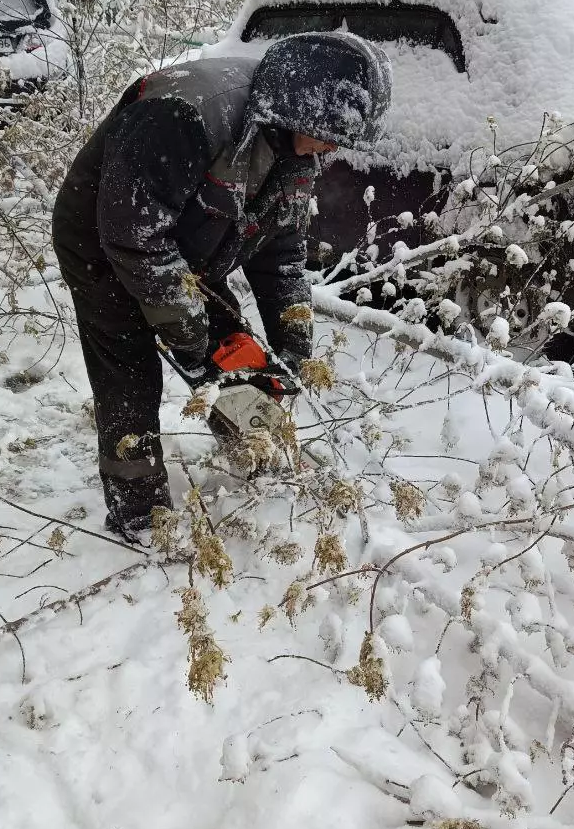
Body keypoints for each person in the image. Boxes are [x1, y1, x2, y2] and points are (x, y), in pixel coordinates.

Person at [52, 31, 392, 539]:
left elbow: (280, 254)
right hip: (103, 242)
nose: (332, 148)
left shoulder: (297, 147)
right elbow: (133, 236)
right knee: (130, 369)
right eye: (329, 134)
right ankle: (139, 511)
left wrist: (292, 336)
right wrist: (185, 328)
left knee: (235, 348)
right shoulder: (184, 116)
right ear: (297, 106)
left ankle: (254, 443)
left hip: (184, 241)